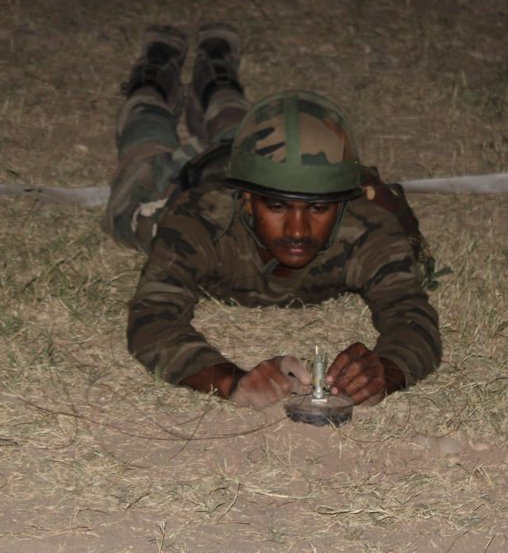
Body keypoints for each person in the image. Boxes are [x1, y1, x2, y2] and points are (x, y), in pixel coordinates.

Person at [104, 23, 441, 409]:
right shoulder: (200, 223)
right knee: (142, 151)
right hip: (188, 183)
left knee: (242, 128)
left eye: (317, 208)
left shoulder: (366, 230)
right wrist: (230, 380)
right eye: (278, 207)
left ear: (340, 204)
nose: (298, 229)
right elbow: (152, 318)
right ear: (247, 201)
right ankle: (154, 73)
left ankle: (217, 74)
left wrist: (387, 369)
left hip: (257, 162)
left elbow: (412, 315)